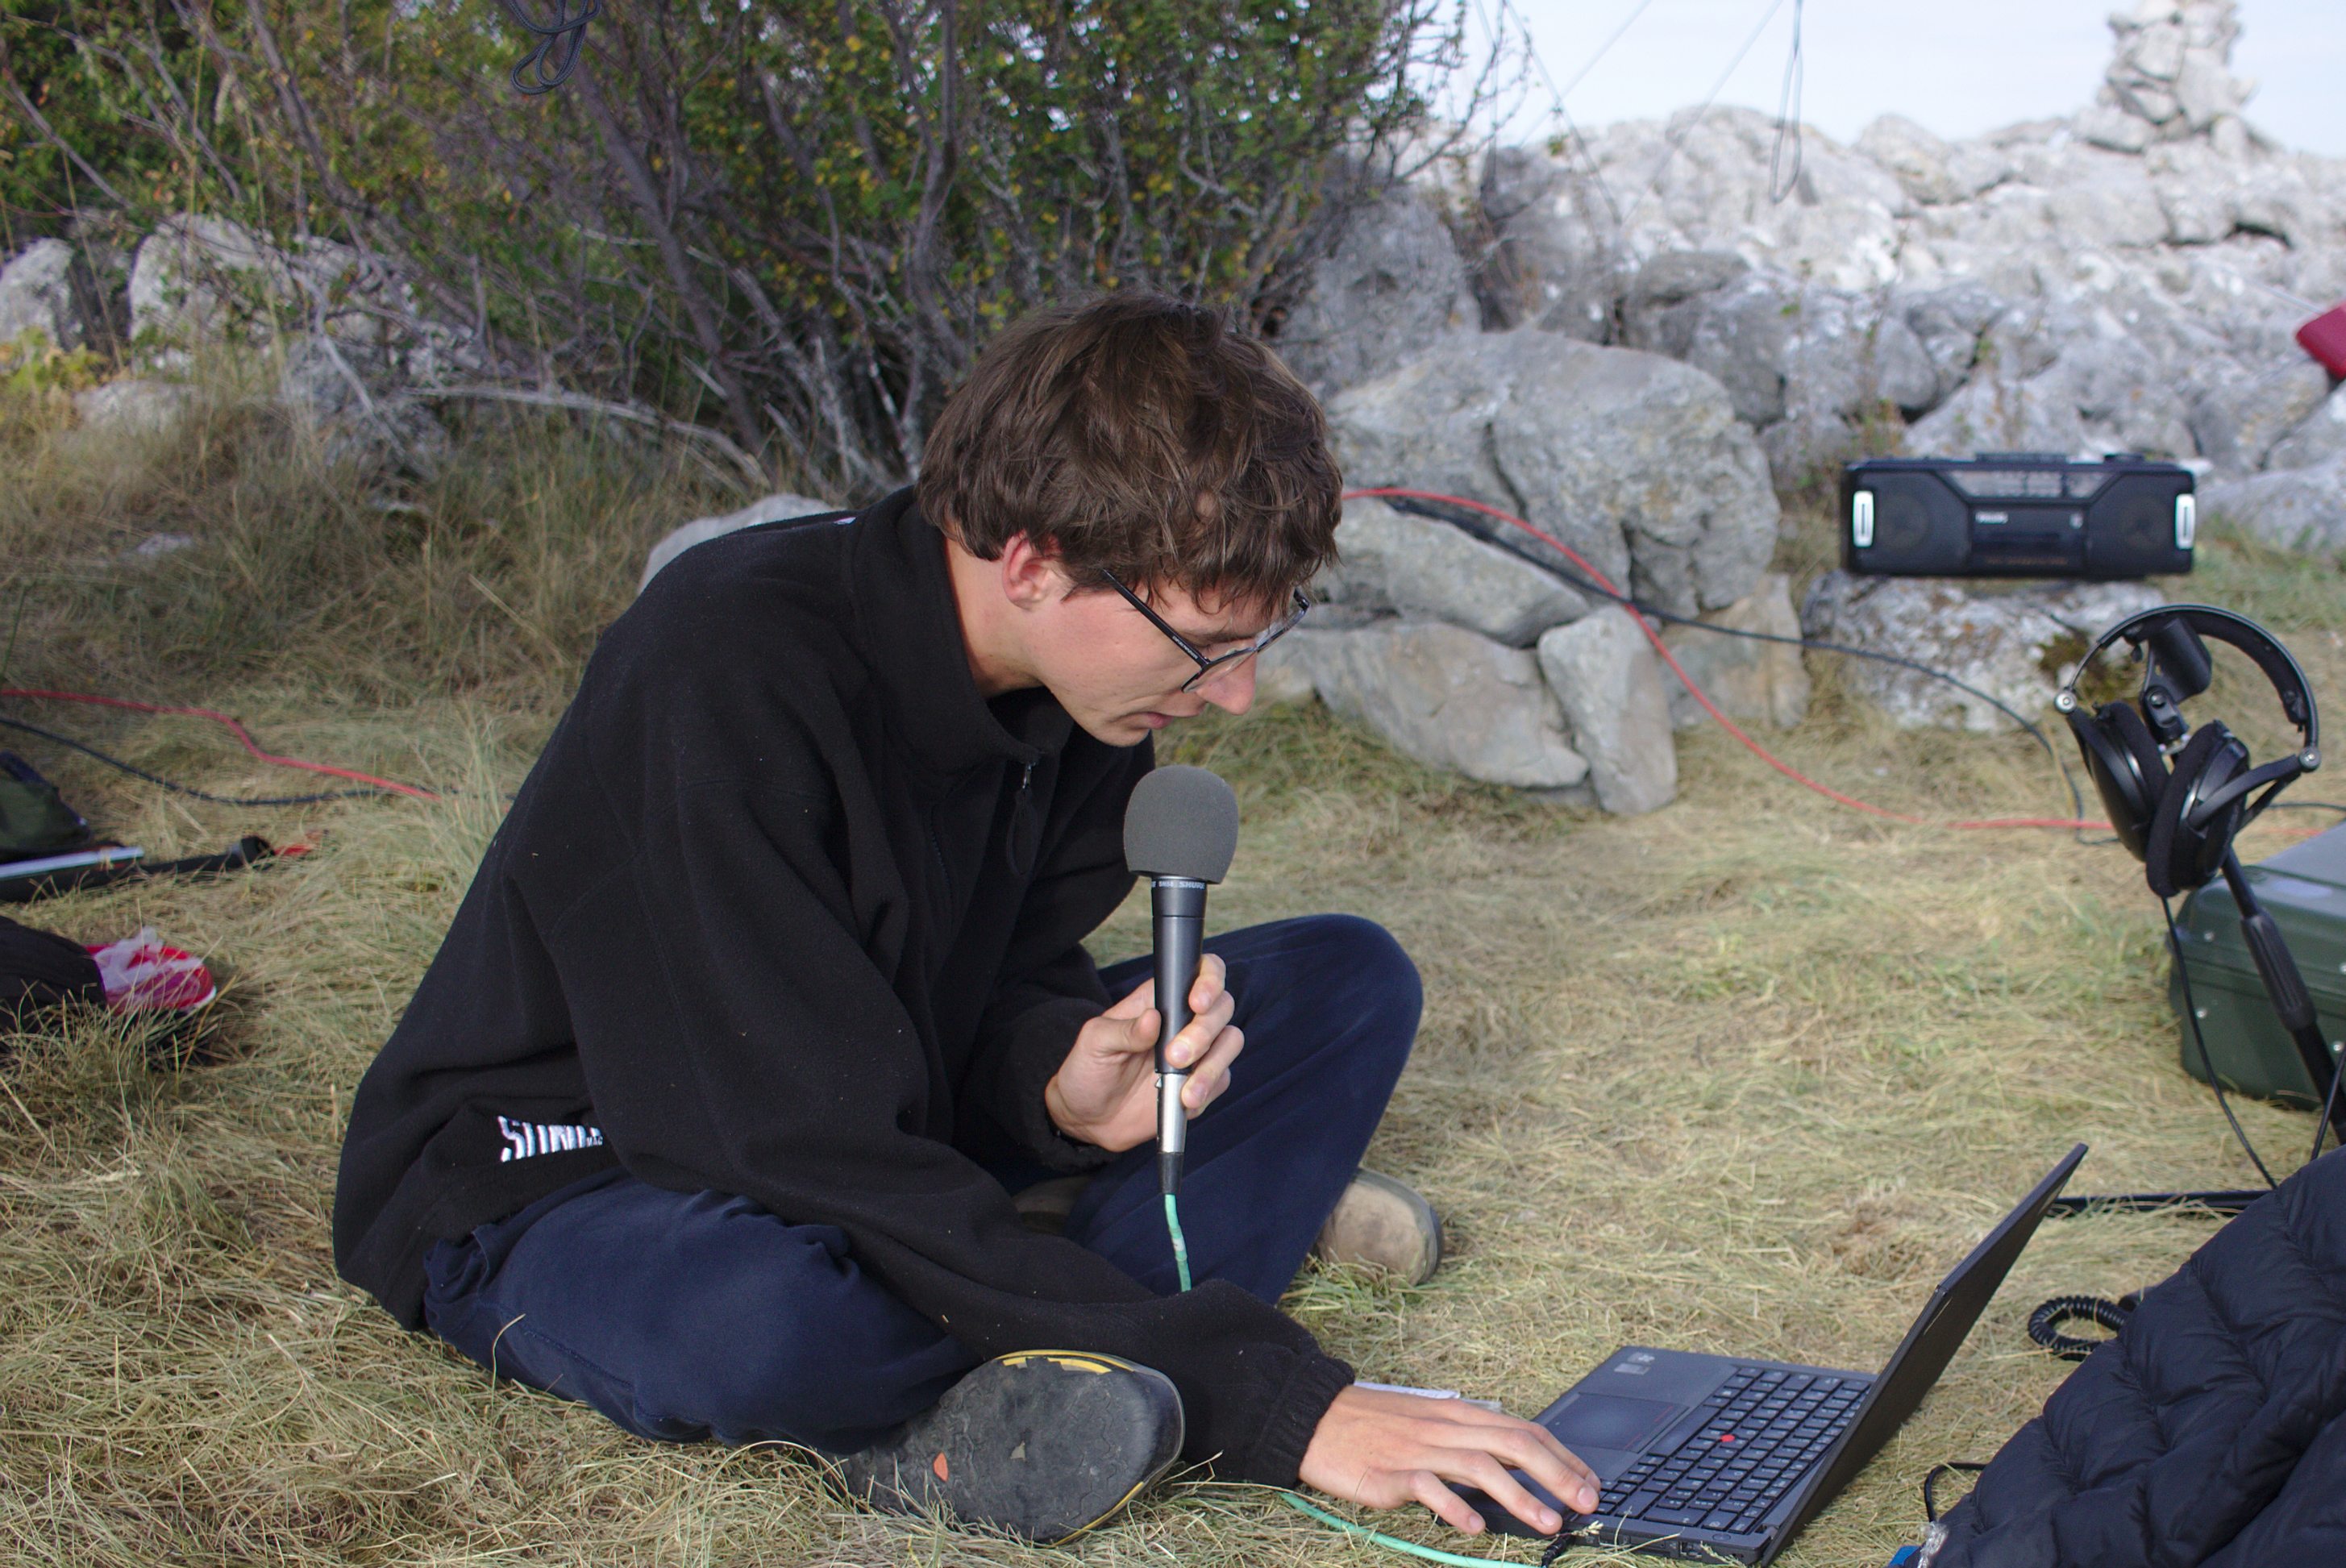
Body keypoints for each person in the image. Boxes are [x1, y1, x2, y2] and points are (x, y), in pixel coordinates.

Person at [332, 291, 1598, 1544]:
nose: (1238, 695)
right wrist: (1279, 1402)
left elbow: (993, 975)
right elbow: (782, 1136)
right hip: (588, 1169)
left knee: (1343, 979)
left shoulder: (1094, 701)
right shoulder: (723, 665)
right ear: (1034, 561)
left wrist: (1054, 1081)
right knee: (775, 1321)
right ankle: (1086, 1311)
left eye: (1259, 639)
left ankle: (1055, 1292)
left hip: (865, 1116)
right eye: (1206, 643)